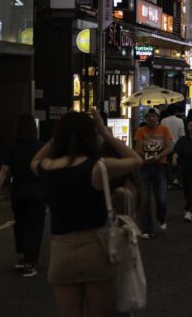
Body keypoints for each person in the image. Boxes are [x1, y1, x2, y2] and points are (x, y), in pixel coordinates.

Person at [32, 109, 142, 317]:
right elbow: (136, 160)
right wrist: (105, 132)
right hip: (96, 251)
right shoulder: (98, 168)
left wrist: (57, 137)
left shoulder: (47, 167)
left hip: (61, 253)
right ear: (90, 136)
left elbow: (33, 161)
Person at [0, 113, 46, 277]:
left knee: (20, 224)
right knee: (34, 227)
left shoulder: (12, 146)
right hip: (36, 190)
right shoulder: (40, 146)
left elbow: (4, 170)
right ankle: (30, 263)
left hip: (18, 190)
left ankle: (21, 257)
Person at [134, 108, 174, 238]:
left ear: (158, 118)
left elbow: (169, 147)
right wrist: (146, 156)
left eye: (154, 116)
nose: (151, 119)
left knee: (161, 197)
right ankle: (147, 229)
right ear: (146, 118)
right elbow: (137, 148)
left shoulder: (164, 130)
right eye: (149, 116)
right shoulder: (141, 131)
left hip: (160, 166)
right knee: (144, 199)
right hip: (144, 167)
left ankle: (161, 218)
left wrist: (159, 155)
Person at [172, 119, 192, 222]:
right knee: (188, 190)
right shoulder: (183, 140)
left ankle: (189, 211)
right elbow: (176, 151)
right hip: (186, 168)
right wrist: (174, 158)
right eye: (190, 126)